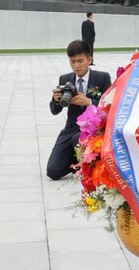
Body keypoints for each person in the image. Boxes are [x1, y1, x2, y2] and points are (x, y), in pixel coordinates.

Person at [46, 40, 111, 180]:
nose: (76, 66)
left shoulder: (102, 78)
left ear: (89, 59)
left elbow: (109, 107)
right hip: (70, 129)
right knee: (53, 171)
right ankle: (76, 161)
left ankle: (83, 160)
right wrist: (55, 100)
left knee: (78, 138)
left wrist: (89, 102)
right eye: (72, 61)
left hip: (93, 129)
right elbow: (54, 110)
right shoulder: (65, 79)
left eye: (80, 61)